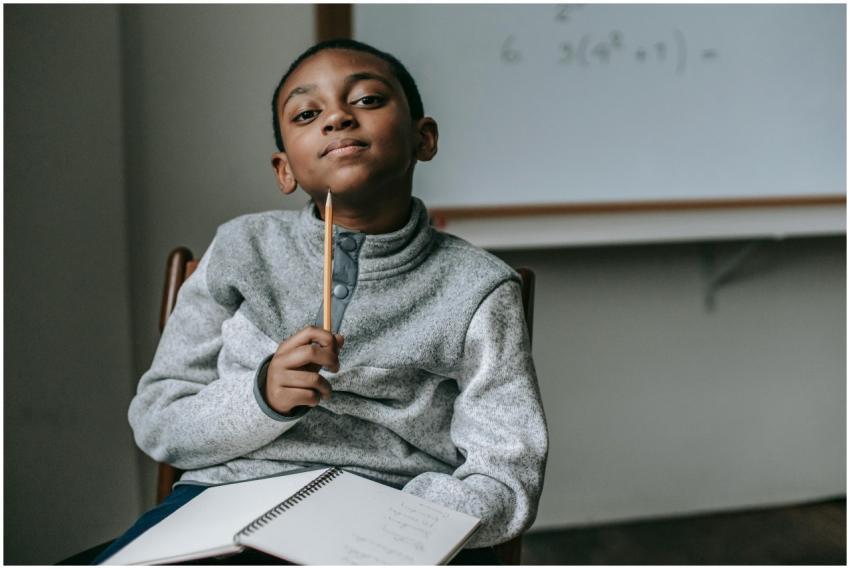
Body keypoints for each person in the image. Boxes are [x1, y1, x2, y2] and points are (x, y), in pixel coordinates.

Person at [93, 38, 548, 564]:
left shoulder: (478, 287)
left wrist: (411, 521)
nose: (337, 118)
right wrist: (260, 395)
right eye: (308, 113)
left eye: (368, 100)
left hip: (391, 520)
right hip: (222, 509)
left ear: (424, 138)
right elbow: (159, 421)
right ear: (284, 169)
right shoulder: (242, 248)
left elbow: (506, 472)